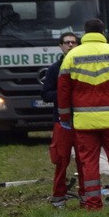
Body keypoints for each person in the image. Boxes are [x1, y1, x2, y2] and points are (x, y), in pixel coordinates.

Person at [57, 18, 109, 212]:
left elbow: (63, 91)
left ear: (84, 33)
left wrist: (65, 119)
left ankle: (93, 204)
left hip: (84, 122)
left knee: (89, 163)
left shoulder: (72, 56)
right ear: (103, 32)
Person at [41, 32, 83, 207]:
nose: (71, 45)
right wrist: (64, 95)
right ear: (60, 46)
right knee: (61, 159)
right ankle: (58, 196)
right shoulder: (54, 69)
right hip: (62, 122)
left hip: (82, 121)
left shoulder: (83, 67)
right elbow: (45, 94)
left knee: (84, 161)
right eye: (67, 43)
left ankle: (87, 197)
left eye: (74, 42)